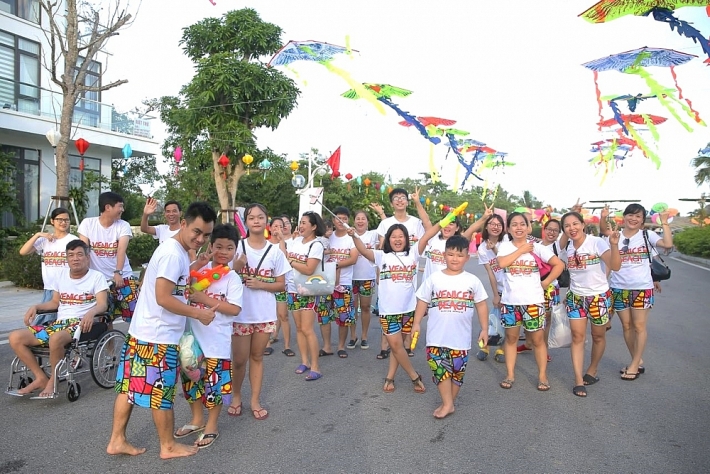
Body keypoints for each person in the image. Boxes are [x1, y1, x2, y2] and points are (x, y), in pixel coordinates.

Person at [107, 202, 220, 459]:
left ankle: (117, 440)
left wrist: (196, 266)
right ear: (183, 224)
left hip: (142, 332)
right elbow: (164, 297)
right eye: (196, 231)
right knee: (161, 392)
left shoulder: (177, 251)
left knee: (129, 388)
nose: (200, 239)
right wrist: (198, 313)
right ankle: (168, 446)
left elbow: (176, 282)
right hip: (158, 337)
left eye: (206, 234)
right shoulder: (172, 253)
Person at [349, 218, 441, 395]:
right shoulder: (381, 256)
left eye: (401, 236)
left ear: (407, 239)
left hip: (409, 310)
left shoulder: (414, 253)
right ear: (388, 239)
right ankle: (414, 376)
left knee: (397, 347)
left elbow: (429, 233)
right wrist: (354, 236)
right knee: (396, 345)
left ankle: (390, 376)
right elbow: (362, 249)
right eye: (393, 236)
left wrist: (447, 220)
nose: (397, 239)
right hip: (388, 311)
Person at [7, 239, 109, 398]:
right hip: (59, 325)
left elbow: (103, 305)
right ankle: (40, 377)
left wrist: (91, 312)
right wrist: (36, 307)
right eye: (71, 255)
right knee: (15, 337)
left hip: (81, 324)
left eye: (79, 254)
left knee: (55, 339)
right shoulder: (61, 276)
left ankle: (52, 381)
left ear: (87, 257)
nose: (75, 258)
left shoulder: (96, 277)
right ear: (67, 258)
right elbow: (55, 302)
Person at [176, 223, 243, 448]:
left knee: (214, 384)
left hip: (217, 341)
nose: (223, 252)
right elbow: (183, 286)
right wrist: (198, 264)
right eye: (219, 247)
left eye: (229, 248)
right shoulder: (199, 270)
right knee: (190, 381)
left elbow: (234, 309)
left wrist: (205, 300)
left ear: (236, 250)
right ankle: (197, 419)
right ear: (210, 246)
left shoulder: (232, 278)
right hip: (192, 338)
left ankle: (212, 425)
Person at [412, 235, 489, 419]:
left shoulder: (472, 281)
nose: (454, 258)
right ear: (444, 255)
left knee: (456, 374)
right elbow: (422, 301)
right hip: (436, 337)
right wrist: (416, 324)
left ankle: (449, 403)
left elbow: (481, 305)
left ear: (467, 257)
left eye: (459, 255)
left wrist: (485, 329)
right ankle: (447, 403)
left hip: (460, 339)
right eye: (450, 254)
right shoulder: (434, 278)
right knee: (439, 370)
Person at [230, 205, 290, 418]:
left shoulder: (275, 251)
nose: (256, 221)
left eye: (260, 217)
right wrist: (235, 267)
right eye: (251, 217)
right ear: (245, 222)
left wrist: (261, 284)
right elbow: (220, 276)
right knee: (238, 360)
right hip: (239, 314)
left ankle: (255, 400)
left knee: (257, 356)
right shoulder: (236, 247)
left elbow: (282, 284)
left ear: (267, 221)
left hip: (264, 314)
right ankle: (236, 396)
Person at [601, 204, 673, 380]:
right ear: (624, 217)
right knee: (627, 326)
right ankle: (636, 360)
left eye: (638, 216)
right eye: (630, 215)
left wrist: (664, 223)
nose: (634, 219)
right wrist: (603, 284)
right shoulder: (614, 237)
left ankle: (633, 365)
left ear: (642, 220)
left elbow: (668, 244)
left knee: (639, 326)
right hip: (619, 287)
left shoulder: (647, 235)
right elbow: (609, 262)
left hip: (642, 287)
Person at [496, 212, 564, 392]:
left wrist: (545, 283)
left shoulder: (539, 248)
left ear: (528, 227)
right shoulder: (504, 246)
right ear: (509, 229)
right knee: (511, 339)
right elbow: (501, 263)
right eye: (514, 224)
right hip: (510, 302)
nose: (518, 227)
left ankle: (542, 375)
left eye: (522, 224)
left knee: (537, 340)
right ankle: (510, 374)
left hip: (533, 302)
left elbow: (559, 265)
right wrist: (521, 250)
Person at [562, 211, 621, 396]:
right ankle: (578, 379)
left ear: (582, 224)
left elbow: (616, 265)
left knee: (597, 336)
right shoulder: (568, 247)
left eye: (575, 224)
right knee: (577, 337)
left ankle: (592, 370)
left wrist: (614, 245)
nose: (572, 228)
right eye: (567, 226)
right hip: (576, 298)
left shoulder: (597, 242)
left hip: (598, 297)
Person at [78, 191, 138, 323]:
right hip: (100, 281)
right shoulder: (88, 224)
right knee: (104, 319)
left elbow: (121, 250)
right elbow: (84, 251)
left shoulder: (123, 225)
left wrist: (118, 272)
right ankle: (108, 343)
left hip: (123, 277)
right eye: (120, 206)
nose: (122, 210)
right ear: (107, 207)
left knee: (133, 316)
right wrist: (85, 277)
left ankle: (132, 342)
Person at [18, 207, 78, 325]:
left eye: (66, 220)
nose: (63, 222)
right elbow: (23, 251)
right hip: (49, 288)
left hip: (67, 288)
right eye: (59, 219)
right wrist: (38, 235)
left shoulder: (73, 240)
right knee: (46, 323)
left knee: (55, 323)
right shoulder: (45, 240)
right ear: (52, 221)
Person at [287, 212, 328, 381]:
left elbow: (309, 269)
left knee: (307, 328)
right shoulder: (296, 241)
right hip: (291, 288)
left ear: (314, 226)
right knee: (298, 327)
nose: (301, 225)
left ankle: (315, 367)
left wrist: (291, 261)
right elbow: (284, 255)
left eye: (304, 223)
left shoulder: (317, 245)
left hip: (309, 289)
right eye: (300, 222)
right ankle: (304, 362)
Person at [517, 219, 567, 360]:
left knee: (546, 319)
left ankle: (543, 348)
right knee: (529, 315)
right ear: (544, 230)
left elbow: (567, 234)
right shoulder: (534, 245)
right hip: (532, 285)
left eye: (555, 230)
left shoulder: (558, 245)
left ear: (559, 233)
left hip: (549, 287)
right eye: (549, 229)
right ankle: (528, 343)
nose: (552, 232)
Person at [322, 207, 359, 357]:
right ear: (333, 219)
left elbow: (353, 258)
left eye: (344, 219)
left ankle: (341, 346)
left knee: (343, 316)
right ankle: (326, 346)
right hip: (324, 281)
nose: (341, 221)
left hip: (343, 283)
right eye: (338, 218)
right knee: (324, 315)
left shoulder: (352, 237)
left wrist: (335, 265)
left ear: (348, 220)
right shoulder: (327, 236)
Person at [475, 213, 506, 363]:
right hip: (500, 286)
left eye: (499, 224)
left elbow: (506, 262)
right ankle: (486, 346)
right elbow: (491, 272)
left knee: (509, 319)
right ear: (487, 226)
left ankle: (502, 349)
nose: (495, 227)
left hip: (515, 286)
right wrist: (495, 294)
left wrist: (494, 250)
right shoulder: (482, 248)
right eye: (492, 224)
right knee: (495, 317)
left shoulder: (507, 241)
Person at [264, 217, 294, 357]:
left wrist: (281, 240)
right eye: (275, 226)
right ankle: (267, 343)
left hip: (281, 284)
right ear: (269, 228)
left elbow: (283, 258)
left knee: (283, 315)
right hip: (267, 284)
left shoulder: (284, 244)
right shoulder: (265, 244)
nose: (277, 229)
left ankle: (287, 345)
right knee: (267, 314)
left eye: (280, 226)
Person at [349, 210, 379, 351]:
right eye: (358, 218)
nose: (360, 221)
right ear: (354, 221)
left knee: (366, 308)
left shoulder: (373, 235)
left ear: (367, 222)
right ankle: (353, 336)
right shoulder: (349, 236)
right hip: (351, 277)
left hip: (367, 277)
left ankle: (364, 336)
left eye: (363, 219)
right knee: (352, 308)